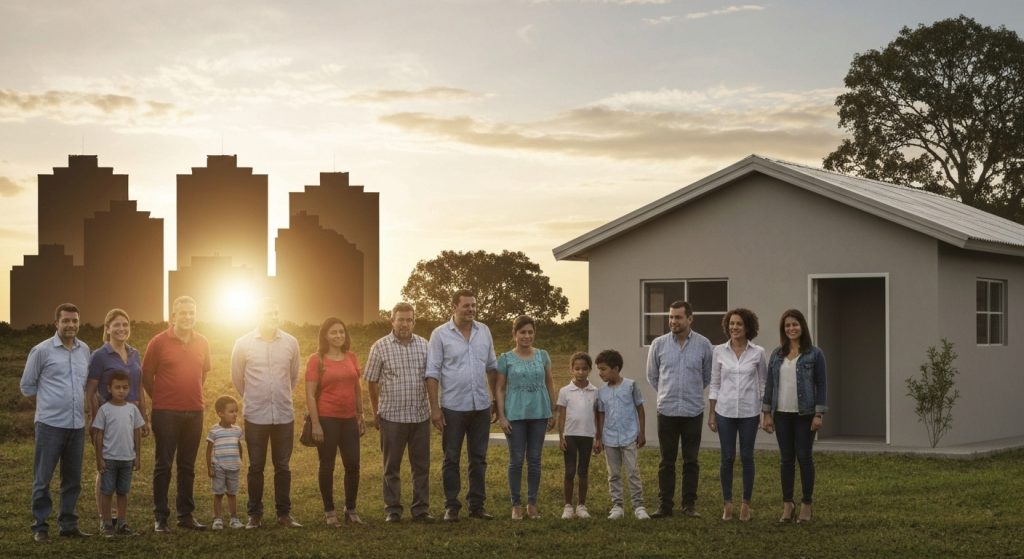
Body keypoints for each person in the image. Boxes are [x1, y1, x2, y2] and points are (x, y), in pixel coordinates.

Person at [425, 289, 499, 522]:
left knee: (478, 458)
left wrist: (494, 401)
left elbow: (492, 367)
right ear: (454, 307)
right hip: (453, 408)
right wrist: (435, 409)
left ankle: (477, 506)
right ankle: (452, 506)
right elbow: (432, 373)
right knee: (451, 458)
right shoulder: (440, 335)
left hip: (481, 406)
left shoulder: (484, 331)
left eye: (474, 305)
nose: (471, 309)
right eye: (466, 305)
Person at [20, 303, 93, 542]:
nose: (71, 325)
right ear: (56, 323)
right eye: (66, 321)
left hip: (76, 425)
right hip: (50, 425)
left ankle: (68, 524)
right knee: (43, 478)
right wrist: (49, 405)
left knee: (72, 479)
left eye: (74, 321)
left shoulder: (85, 350)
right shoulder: (41, 351)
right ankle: (40, 526)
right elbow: (27, 386)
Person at [230, 298, 302, 529]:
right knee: (256, 467)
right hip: (256, 416)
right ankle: (255, 515)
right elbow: (237, 378)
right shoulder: (242, 344)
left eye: (276, 313)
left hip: (283, 415)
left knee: (283, 466)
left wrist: (279, 396)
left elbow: (293, 377)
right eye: (268, 313)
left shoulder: (291, 343)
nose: (273, 317)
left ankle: (284, 514)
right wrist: (254, 397)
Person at [143, 295, 211, 532]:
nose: (188, 317)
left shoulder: (202, 342)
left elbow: (203, 374)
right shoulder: (158, 342)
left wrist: (192, 396)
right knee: (163, 465)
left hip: (195, 411)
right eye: (183, 313)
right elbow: (146, 377)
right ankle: (160, 517)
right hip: (166, 413)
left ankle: (186, 515)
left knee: (187, 466)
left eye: (192, 313)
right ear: (173, 316)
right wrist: (161, 399)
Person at [364, 302, 433, 523]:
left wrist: (434, 408)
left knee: (421, 466)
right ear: (392, 320)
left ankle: (421, 509)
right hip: (392, 417)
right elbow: (371, 381)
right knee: (391, 467)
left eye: (409, 319)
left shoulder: (425, 345)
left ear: (414, 321)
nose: (404, 323)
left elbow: (431, 378)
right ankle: (392, 510)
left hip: (420, 416)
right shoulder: (380, 346)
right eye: (400, 319)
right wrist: (376, 411)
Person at [645, 300, 713, 518]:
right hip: (667, 410)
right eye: (671, 317)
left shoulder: (704, 345)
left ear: (690, 319)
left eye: (678, 317)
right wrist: (669, 391)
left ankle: (689, 505)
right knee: (667, 461)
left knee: (691, 461)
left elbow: (707, 376)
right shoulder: (659, 344)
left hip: (693, 411)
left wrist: (689, 392)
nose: (673, 321)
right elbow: (653, 376)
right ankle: (665, 505)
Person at [761, 309, 828, 524]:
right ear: (784, 329)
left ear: (802, 326)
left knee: (804, 457)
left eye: (795, 324)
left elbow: (822, 384)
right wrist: (767, 413)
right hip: (781, 415)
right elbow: (770, 384)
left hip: (805, 415)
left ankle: (806, 505)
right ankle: (788, 504)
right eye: (787, 325)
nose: (791, 328)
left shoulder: (815, 354)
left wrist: (819, 413)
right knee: (786, 460)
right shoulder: (777, 354)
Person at [86, 308, 148, 530]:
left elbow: (139, 387)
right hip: (108, 416)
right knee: (105, 467)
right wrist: (94, 421)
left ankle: (121, 520)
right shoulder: (99, 355)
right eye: (117, 325)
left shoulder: (135, 354)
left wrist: (145, 418)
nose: (122, 328)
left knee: (125, 463)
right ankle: (105, 519)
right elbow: (91, 390)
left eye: (125, 324)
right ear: (108, 328)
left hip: (131, 417)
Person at [709, 308, 767, 522]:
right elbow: (715, 383)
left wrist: (764, 412)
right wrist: (712, 414)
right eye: (731, 323)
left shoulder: (758, 352)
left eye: (739, 324)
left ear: (748, 327)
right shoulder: (719, 351)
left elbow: (763, 384)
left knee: (747, 457)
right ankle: (728, 504)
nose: (734, 327)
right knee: (727, 458)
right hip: (724, 411)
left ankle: (745, 505)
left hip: (749, 412)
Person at [306, 317, 366, 527]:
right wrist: (316, 424)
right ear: (325, 335)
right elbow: (310, 394)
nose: (339, 335)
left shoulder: (351, 357)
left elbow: (357, 387)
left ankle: (350, 510)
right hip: (327, 419)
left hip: (349, 419)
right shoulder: (317, 359)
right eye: (334, 332)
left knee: (353, 465)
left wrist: (360, 415)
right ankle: (329, 511)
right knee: (327, 466)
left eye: (342, 331)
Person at [496, 315, 556, 520]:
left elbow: (549, 383)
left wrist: (552, 411)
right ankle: (516, 505)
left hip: (539, 413)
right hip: (515, 415)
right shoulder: (505, 358)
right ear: (514, 334)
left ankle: (532, 503)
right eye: (522, 332)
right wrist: (502, 416)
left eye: (530, 332)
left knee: (535, 460)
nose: (527, 336)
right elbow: (500, 387)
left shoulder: (543, 356)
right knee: (516, 460)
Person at [594, 349, 649, 521]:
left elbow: (640, 408)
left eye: (603, 369)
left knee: (632, 471)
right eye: (599, 369)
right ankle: (617, 506)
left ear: (615, 368)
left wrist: (641, 432)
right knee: (614, 474)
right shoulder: (601, 392)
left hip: (629, 436)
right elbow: (601, 414)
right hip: (609, 439)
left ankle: (638, 506)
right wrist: (599, 437)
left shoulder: (631, 386)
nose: (600, 372)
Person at [91, 370, 145, 536]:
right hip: (109, 459)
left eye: (125, 387)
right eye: (117, 387)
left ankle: (122, 523)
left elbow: (137, 432)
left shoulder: (132, 409)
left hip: (127, 459)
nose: (121, 391)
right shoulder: (104, 410)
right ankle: (107, 524)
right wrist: (99, 458)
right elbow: (98, 435)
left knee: (123, 492)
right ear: (109, 388)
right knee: (106, 492)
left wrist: (138, 456)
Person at [556, 352, 598, 520]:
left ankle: (581, 505)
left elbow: (597, 415)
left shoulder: (595, 391)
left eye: (584, 369)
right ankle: (568, 506)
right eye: (577, 369)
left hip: (587, 436)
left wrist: (598, 438)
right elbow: (562, 416)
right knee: (570, 471)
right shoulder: (565, 391)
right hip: (570, 436)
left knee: (583, 471)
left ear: (589, 370)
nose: (581, 372)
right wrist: (561, 437)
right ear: (571, 370)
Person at [206, 395, 245, 530]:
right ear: (220, 413)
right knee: (218, 493)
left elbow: (239, 446)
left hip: (234, 467)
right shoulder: (214, 431)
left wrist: (240, 459)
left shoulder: (237, 430)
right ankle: (217, 519)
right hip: (219, 467)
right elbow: (208, 450)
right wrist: (210, 467)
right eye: (231, 411)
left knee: (232, 493)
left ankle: (234, 519)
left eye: (236, 411)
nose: (235, 414)